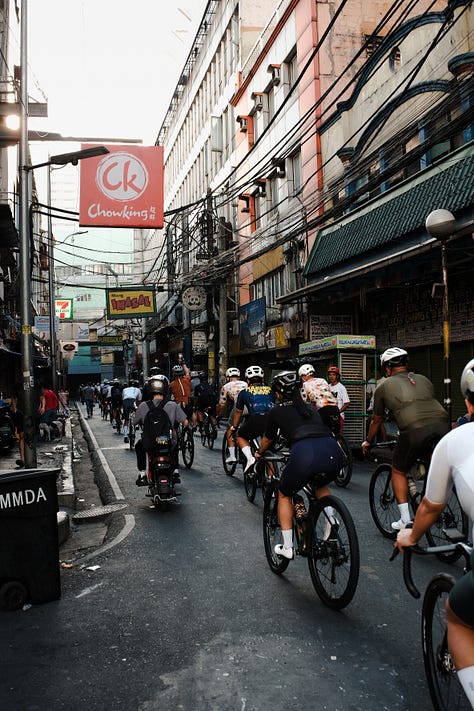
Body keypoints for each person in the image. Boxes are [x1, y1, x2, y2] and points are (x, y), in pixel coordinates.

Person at [395, 359, 474, 708]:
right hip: (432, 432)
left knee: (457, 617)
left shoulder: (457, 441)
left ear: (468, 402)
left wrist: (411, 536)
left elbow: (431, 506)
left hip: (417, 440)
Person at [255, 371, 343, 559]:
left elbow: (268, 439)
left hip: (305, 453)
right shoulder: (311, 408)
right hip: (333, 452)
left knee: (284, 493)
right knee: (320, 485)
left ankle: (287, 547)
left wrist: (259, 453)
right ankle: (331, 519)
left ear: (278, 393)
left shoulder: (275, 411)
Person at [362, 347, 450, 530]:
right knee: (431, 462)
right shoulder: (423, 379)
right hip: (443, 426)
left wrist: (368, 441)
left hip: (413, 430)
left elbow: (377, 419)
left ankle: (405, 519)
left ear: (387, 368)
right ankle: (433, 498)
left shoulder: (383, 386)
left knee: (398, 470)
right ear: (405, 364)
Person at [134, 375, 188, 484]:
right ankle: (175, 471)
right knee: (175, 444)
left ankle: (142, 474)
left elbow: (134, 422)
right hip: (166, 440)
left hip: (149, 441)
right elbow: (185, 422)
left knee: (139, 446)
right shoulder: (172, 405)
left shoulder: (143, 406)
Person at [233, 365, 274, 473]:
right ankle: (272, 478)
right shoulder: (271, 390)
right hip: (272, 420)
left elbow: (238, 412)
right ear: (262, 379)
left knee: (240, 435)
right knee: (268, 452)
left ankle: (250, 458)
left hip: (256, 419)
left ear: (247, 380)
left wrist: (235, 427)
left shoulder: (244, 392)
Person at [217, 367, 248, 464]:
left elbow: (222, 404)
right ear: (239, 377)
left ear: (227, 378)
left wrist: (219, 415)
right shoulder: (246, 384)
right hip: (251, 407)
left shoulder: (226, 386)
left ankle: (232, 456)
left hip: (239, 408)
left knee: (230, 428)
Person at [298, 364, 340, 432]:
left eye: (302, 376)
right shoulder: (323, 380)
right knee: (336, 432)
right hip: (335, 408)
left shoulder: (305, 385)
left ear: (304, 375)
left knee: (323, 431)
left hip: (323, 410)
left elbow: (304, 401)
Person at [327, 366, 350, 432]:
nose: (331, 377)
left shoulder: (341, 387)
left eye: (333, 375)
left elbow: (347, 403)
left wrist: (338, 412)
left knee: (338, 434)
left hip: (338, 417)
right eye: (330, 375)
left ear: (337, 376)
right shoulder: (327, 386)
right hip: (328, 416)